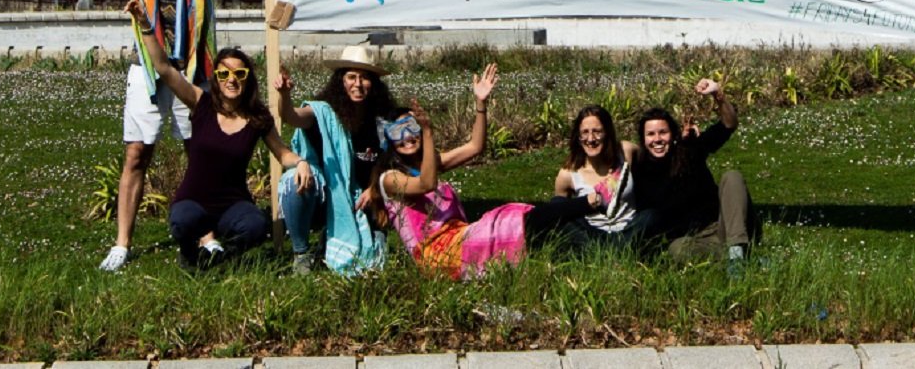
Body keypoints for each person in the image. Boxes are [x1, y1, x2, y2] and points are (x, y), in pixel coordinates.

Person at [76, 0, 274, 272]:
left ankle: (207, 237)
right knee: (136, 154)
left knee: (198, 151)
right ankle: (122, 245)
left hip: (195, 72)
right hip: (148, 69)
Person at [375, 65, 597, 278]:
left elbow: (475, 146)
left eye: (411, 127)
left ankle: (590, 233)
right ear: (388, 139)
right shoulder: (390, 178)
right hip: (438, 255)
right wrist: (428, 132)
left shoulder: (430, 164)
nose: (406, 137)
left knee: (518, 217)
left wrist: (481, 103)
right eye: (397, 131)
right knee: (511, 222)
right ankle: (590, 203)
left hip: (459, 240)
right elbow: (426, 184)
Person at [136, 26, 305, 269]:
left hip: (233, 205)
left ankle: (224, 260)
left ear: (248, 78)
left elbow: (282, 152)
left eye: (239, 73)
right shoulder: (201, 104)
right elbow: (164, 68)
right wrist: (145, 26)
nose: (232, 80)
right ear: (216, 78)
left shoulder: (258, 118)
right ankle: (189, 253)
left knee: (255, 225)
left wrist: (300, 163)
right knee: (182, 221)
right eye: (224, 74)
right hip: (193, 201)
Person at [274, 44, 401, 275]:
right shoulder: (324, 112)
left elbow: (392, 160)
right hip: (325, 197)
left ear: (374, 83)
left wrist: (374, 189)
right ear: (340, 81)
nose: (358, 84)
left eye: (365, 78)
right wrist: (284, 95)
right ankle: (301, 253)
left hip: (365, 200)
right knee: (293, 181)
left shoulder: (383, 119)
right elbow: (291, 116)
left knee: (373, 255)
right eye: (351, 77)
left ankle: (333, 242)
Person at [631, 78, 756, 264]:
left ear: (672, 135)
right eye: (651, 134)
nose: (657, 139)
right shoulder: (639, 169)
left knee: (732, 177)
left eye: (663, 132)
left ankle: (736, 249)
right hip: (695, 239)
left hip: (724, 224)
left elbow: (729, 124)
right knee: (677, 250)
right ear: (643, 139)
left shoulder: (689, 150)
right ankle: (740, 257)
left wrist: (717, 95)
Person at [551, 104, 644, 251]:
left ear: (607, 132)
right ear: (578, 137)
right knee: (559, 208)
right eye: (585, 133)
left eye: (597, 132)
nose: (591, 138)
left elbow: (654, 161)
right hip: (593, 234)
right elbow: (558, 213)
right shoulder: (568, 174)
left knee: (652, 216)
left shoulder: (626, 152)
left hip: (630, 229)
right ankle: (612, 249)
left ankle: (615, 248)